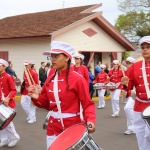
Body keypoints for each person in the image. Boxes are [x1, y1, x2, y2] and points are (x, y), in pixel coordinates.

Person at [28, 41, 96, 150]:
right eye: (52, 56)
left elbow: (87, 104)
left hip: (72, 127)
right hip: (52, 127)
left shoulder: (78, 79)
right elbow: (47, 104)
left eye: (56, 56)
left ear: (67, 58)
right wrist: (36, 97)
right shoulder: (50, 78)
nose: (53, 59)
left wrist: (90, 120)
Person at [121, 36, 150, 150]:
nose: (145, 50)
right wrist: (125, 83)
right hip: (139, 105)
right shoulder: (135, 66)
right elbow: (129, 86)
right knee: (141, 135)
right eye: (142, 47)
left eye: (148, 47)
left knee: (148, 135)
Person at [0, 59, 20, 148]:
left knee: (7, 122)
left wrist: (8, 98)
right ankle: (4, 139)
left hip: (7, 103)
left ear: (4, 67)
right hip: (0, 103)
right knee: (0, 123)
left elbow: (13, 90)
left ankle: (14, 137)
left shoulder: (8, 77)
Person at [123, 57, 136, 135]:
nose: (128, 65)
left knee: (127, 108)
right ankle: (130, 128)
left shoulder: (136, 71)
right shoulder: (126, 72)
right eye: (127, 63)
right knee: (130, 110)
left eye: (130, 63)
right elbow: (125, 84)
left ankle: (133, 127)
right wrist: (123, 88)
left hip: (135, 94)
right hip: (128, 93)